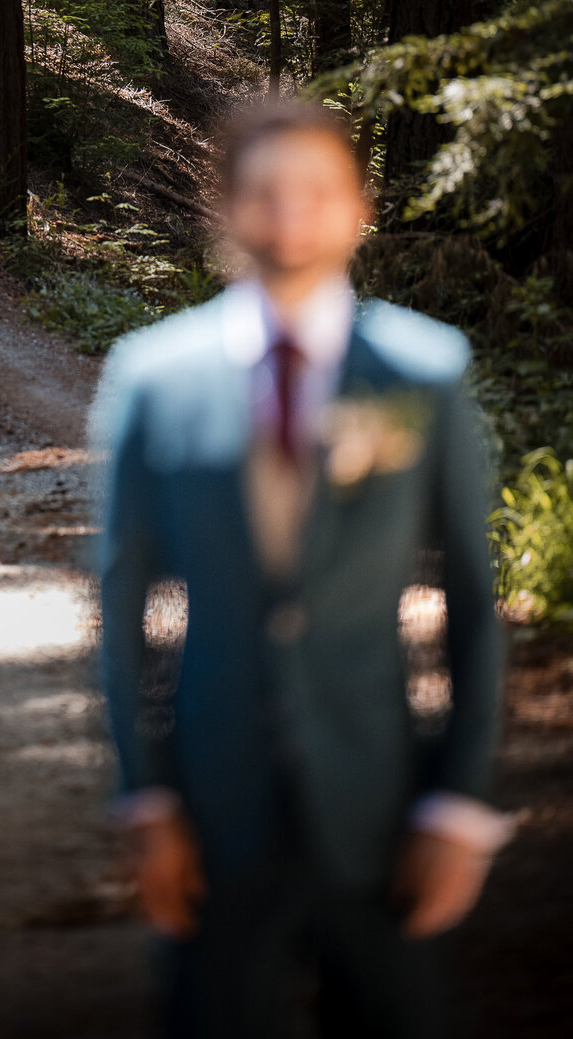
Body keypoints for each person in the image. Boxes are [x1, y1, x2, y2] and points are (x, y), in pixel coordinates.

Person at [95, 99, 510, 1038]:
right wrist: (146, 792)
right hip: (210, 803)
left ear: (359, 205)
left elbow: (472, 602)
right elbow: (121, 601)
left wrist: (459, 800)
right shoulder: (155, 377)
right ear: (232, 209)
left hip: (381, 803)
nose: (291, 217)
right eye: (265, 193)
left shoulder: (423, 372)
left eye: (316, 192)